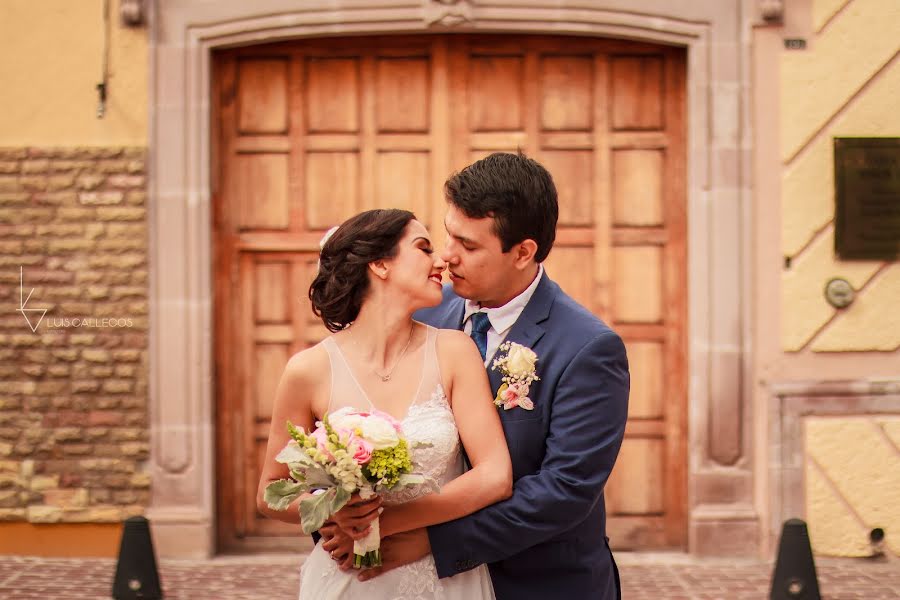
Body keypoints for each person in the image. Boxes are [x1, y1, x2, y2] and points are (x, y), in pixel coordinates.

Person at [356, 152, 631, 599]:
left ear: (523, 252)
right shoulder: (425, 311)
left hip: (539, 584)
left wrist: (434, 541)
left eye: (469, 246)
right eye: (448, 236)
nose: (447, 257)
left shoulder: (588, 348)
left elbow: (565, 490)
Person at [256, 208, 512, 599]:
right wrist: (331, 510)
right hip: (349, 580)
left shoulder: (453, 351)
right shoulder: (307, 370)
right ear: (379, 264)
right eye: (423, 248)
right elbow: (271, 492)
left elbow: (494, 475)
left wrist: (385, 522)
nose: (440, 260)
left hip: (442, 580)